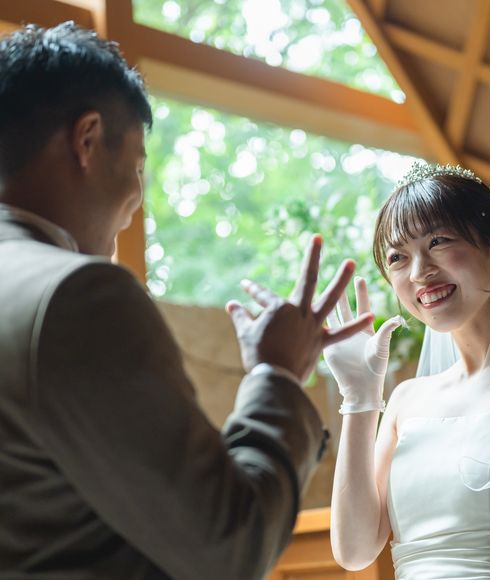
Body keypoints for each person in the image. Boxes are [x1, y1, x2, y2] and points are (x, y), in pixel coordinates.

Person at [0, 22, 373, 579]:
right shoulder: (78, 296)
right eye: (138, 164)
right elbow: (230, 545)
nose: (135, 200)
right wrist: (277, 373)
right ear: (87, 139)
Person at [323, 162, 490, 579]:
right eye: (398, 257)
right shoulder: (406, 400)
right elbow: (354, 551)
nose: (419, 272)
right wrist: (359, 396)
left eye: (438, 241)